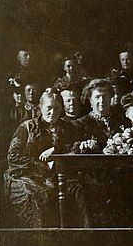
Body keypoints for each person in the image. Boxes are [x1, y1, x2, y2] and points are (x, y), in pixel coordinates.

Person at [5, 89, 90, 227]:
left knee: (78, 191)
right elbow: (13, 157)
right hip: (27, 175)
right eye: (49, 108)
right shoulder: (27, 127)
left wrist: (56, 149)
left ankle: (82, 239)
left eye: (57, 108)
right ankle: (43, 242)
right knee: (40, 195)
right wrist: (44, 165)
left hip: (59, 176)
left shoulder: (68, 128)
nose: (53, 112)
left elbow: (77, 145)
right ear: (41, 108)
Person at [74, 79, 127, 151]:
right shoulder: (81, 124)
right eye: (97, 97)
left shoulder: (121, 121)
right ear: (90, 100)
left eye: (105, 96)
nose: (101, 101)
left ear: (110, 98)